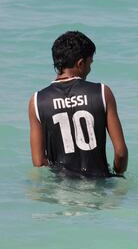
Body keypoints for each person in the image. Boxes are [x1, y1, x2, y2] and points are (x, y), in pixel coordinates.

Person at [28, 31, 128, 178]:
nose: (90, 68)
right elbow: (120, 152)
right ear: (80, 63)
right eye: (90, 62)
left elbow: (38, 162)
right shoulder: (101, 92)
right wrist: (117, 174)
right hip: (97, 184)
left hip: (63, 190)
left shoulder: (37, 101)